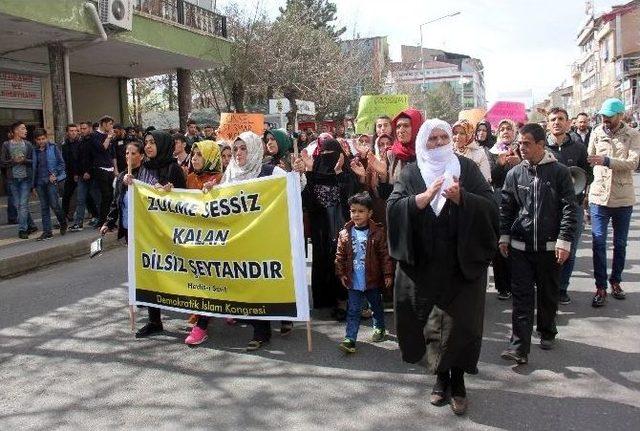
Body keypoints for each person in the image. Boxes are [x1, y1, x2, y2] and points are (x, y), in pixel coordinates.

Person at [387, 119, 497, 416]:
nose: (437, 143)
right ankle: (440, 378)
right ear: (423, 142)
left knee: (461, 324)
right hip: (425, 264)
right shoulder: (411, 172)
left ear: (450, 139)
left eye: (441, 137)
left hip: (461, 263)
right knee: (431, 323)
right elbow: (393, 207)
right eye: (431, 138)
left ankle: (458, 382)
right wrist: (419, 200)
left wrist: (463, 199)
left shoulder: (467, 169)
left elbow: (490, 206)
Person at [188, 131, 305, 349]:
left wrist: (298, 173)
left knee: (259, 283)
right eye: (236, 149)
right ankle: (223, 324)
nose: (239, 153)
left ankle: (262, 332)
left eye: (244, 148)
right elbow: (220, 205)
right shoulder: (230, 173)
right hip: (238, 240)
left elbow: (295, 189)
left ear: (254, 149)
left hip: (264, 239)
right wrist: (211, 191)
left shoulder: (270, 171)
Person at [499, 123, 577, 364]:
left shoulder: (560, 172)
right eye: (519, 143)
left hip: (550, 248)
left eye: (526, 144)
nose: (521, 148)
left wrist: (564, 240)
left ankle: (547, 330)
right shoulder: (514, 174)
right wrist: (504, 236)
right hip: (520, 248)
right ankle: (519, 347)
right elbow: (507, 207)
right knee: (521, 297)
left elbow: (569, 208)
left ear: (541, 145)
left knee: (547, 293)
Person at [587, 98, 640, 307]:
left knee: (620, 243)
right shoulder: (597, 132)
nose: (605, 120)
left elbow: (633, 163)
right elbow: (590, 156)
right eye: (603, 116)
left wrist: (607, 161)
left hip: (623, 197)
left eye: (609, 116)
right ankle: (600, 287)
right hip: (599, 197)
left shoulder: (633, 135)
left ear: (621, 115)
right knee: (598, 242)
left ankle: (615, 281)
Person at [135, 130, 187, 338]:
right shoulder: (143, 168)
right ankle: (154, 320)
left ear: (163, 145)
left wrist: (170, 192)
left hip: (169, 232)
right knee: (150, 273)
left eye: (152, 143)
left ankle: (198, 314)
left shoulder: (173, 168)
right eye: (146, 142)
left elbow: (186, 200)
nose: (147, 146)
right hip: (148, 231)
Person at [335, 191, 393, 353]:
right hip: (354, 281)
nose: (356, 215)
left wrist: (388, 274)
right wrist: (341, 274)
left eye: (361, 211)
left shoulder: (377, 233)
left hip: (372, 280)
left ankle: (379, 327)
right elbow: (339, 256)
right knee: (353, 310)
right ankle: (350, 339)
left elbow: (385, 255)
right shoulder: (345, 233)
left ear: (370, 213)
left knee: (376, 306)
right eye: (353, 211)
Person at [545, 107, 593, 305]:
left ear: (568, 122)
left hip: (572, 205)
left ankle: (562, 288)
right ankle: (548, 287)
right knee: (548, 250)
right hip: (547, 206)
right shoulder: (541, 147)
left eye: (561, 119)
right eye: (553, 119)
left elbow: (588, 174)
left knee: (568, 250)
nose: (557, 122)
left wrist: (583, 193)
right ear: (548, 123)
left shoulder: (579, 147)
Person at [487, 119, 521, 300]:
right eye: (502, 128)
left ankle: (518, 283)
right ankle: (502, 286)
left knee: (518, 245)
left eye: (509, 128)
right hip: (499, 202)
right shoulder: (491, 152)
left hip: (520, 203)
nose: (506, 131)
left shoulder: (522, 148)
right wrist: (500, 165)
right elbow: (490, 178)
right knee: (500, 244)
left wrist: (519, 162)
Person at [100, 140, 145, 240]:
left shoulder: (146, 174)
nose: (128, 156)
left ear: (141, 156)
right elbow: (116, 202)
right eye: (127, 153)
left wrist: (135, 183)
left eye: (133, 153)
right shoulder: (121, 176)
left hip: (143, 227)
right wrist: (108, 223)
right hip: (127, 226)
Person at [0, 121, 36, 239]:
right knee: (19, 205)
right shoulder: (6, 145)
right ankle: (31, 225)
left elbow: (33, 162)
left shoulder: (28, 145)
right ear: (16, 131)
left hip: (25, 179)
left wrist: (24, 160)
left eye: (25, 128)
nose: (26, 131)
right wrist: (13, 161)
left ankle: (22, 230)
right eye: (23, 128)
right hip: (13, 180)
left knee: (22, 204)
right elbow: (2, 162)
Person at [31, 128, 67, 240]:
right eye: (39, 139)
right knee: (44, 207)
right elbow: (33, 169)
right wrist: (33, 186)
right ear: (35, 140)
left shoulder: (53, 147)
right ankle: (47, 232)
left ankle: (63, 222)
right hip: (39, 182)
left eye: (43, 138)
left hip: (51, 181)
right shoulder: (34, 151)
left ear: (46, 137)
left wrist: (55, 174)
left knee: (54, 205)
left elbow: (61, 164)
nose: (41, 141)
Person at [69, 121, 99, 231]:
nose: (82, 131)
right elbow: (78, 159)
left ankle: (102, 219)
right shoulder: (80, 141)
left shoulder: (93, 140)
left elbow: (95, 159)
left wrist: (89, 172)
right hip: (81, 175)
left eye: (84, 128)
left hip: (92, 175)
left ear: (90, 128)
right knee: (80, 199)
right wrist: (77, 173)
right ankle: (78, 223)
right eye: (80, 128)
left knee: (97, 198)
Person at [88, 116, 118, 227]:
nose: (111, 127)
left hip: (110, 168)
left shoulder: (108, 137)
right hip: (100, 169)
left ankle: (109, 220)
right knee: (106, 195)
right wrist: (109, 137)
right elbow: (102, 148)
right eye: (110, 124)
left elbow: (112, 153)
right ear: (104, 124)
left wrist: (116, 169)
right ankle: (103, 221)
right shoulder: (94, 136)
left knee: (112, 196)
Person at [61, 123, 82, 222]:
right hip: (69, 174)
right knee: (66, 196)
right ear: (67, 132)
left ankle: (95, 214)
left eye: (75, 131)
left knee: (84, 196)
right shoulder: (65, 145)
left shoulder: (81, 143)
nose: (74, 133)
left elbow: (80, 160)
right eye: (71, 131)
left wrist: (77, 173)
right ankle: (64, 217)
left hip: (80, 173)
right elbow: (66, 160)